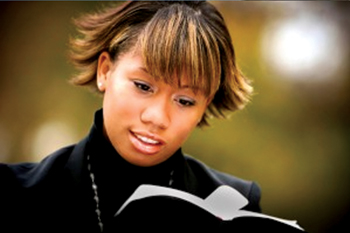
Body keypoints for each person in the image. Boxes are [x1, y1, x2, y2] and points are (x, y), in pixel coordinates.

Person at [0, 1, 261, 232]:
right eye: (143, 86)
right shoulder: (15, 195)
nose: (158, 118)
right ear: (105, 71)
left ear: (204, 105)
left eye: (184, 101)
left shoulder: (233, 208)